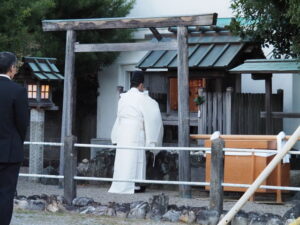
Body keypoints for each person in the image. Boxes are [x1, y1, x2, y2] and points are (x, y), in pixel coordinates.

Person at [109, 71, 163, 194]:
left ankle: (121, 184)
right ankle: (136, 185)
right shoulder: (142, 98)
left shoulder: (123, 98)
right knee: (136, 158)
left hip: (123, 131)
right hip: (136, 131)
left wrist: (115, 135)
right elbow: (153, 115)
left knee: (124, 158)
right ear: (140, 85)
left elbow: (119, 117)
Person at [0, 52, 29, 225]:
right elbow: (22, 123)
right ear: (12, 68)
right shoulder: (17, 91)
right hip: (9, 151)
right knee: (5, 193)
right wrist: (18, 142)